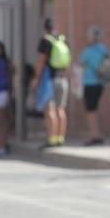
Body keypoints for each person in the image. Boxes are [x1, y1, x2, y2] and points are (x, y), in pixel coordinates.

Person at [32, 18, 71, 148]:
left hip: (49, 80)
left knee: (50, 110)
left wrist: (36, 78)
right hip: (62, 78)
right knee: (61, 109)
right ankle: (60, 138)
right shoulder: (62, 40)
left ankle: (51, 138)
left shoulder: (45, 41)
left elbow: (41, 61)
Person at [78, 25, 110, 146]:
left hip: (90, 82)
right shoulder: (104, 49)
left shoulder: (88, 51)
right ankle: (98, 133)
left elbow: (80, 63)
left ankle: (94, 135)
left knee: (90, 110)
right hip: (101, 83)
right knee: (95, 108)